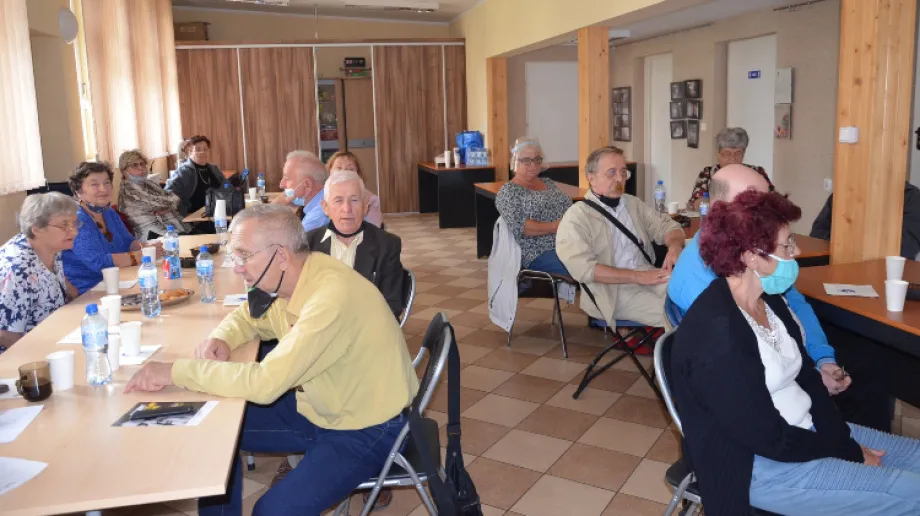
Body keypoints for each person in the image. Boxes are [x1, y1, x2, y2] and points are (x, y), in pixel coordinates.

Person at [124, 204, 418, 515]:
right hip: (323, 408)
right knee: (216, 428)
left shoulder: (330, 297)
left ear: (280, 255)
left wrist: (175, 372)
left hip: (368, 426)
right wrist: (222, 338)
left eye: (244, 255)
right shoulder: (293, 278)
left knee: (272, 511)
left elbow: (265, 384)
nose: (237, 268)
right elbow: (249, 317)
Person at [670, 190, 920, 516]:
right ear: (751, 256)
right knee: (913, 494)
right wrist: (846, 451)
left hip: (806, 432)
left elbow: (808, 378)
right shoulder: (718, 336)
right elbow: (768, 438)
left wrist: (843, 442)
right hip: (760, 466)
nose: (797, 251)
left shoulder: (770, 299)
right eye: (787, 244)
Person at [668, 164, 890, 431]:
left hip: (786, 359)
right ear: (721, 210)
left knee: (871, 359)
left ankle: (855, 441)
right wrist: (812, 371)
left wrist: (823, 358)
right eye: (756, 204)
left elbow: (794, 304)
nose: (768, 213)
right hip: (767, 395)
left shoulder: (754, 258)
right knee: (864, 383)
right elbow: (744, 367)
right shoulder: (700, 283)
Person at [556, 146, 684, 328]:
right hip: (609, 291)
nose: (619, 179)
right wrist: (636, 277)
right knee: (678, 315)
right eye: (611, 172)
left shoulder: (632, 204)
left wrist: (675, 247)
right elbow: (584, 269)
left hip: (647, 275)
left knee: (694, 298)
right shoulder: (576, 217)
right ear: (592, 178)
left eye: (623, 172)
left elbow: (668, 226)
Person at [307, 171, 404, 317]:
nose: (347, 209)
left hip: (367, 325)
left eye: (354, 200)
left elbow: (392, 305)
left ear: (365, 206)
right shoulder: (308, 244)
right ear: (325, 207)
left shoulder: (387, 245)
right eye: (338, 200)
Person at [63, 161, 163, 295]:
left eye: (106, 183)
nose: (103, 189)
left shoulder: (108, 211)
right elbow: (99, 262)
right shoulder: (76, 219)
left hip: (120, 281)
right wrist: (139, 256)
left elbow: (128, 242)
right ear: (78, 191)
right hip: (89, 291)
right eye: (94, 184)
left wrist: (148, 247)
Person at [0, 193, 79, 351]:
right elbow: (5, 335)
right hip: (21, 356)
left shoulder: (52, 249)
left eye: (74, 224)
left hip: (53, 338)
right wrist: (47, 354)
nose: (74, 231)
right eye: (64, 225)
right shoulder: (18, 269)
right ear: (36, 228)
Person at [495, 138, 572, 275]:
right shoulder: (508, 192)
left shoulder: (548, 183)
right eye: (526, 160)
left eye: (537, 159)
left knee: (602, 256)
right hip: (538, 251)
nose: (533, 165)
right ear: (515, 162)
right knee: (582, 266)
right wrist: (557, 226)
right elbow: (522, 227)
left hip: (567, 241)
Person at [810, 181, 920, 260]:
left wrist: (848, 243)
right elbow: (817, 235)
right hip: (839, 266)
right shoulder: (845, 191)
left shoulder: (912, 198)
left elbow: (904, 250)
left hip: (889, 275)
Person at [685, 127, 773, 210]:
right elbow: (695, 202)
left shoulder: (756, 172)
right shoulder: (708, 173)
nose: (732, 159)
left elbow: (773, 200)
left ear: (743, 154)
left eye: (738, 153)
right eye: (727, 153)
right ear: (718, 154)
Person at [116, 149, 189, 240]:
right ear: (124, 171)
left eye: (142, 164)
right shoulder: (128, 191)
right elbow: (162, 202)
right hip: (152, 235)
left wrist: (170, 206)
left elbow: (173, 197)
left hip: (170, 228)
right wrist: (171, 204)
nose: (141, 168)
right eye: (134, 165)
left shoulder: (148, 183)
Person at [165, 135, 225, 217]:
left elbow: (225, 186)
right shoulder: (184, 171)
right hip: (195, 216)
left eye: (205, 149)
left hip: (217, 211)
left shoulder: (213, 168)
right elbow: (168, 192)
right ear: (190, 152)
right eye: (198, 149)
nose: (202, 152)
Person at [274, 150, 329, 232]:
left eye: (287, 178)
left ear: (307, 185)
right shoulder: (322, 201)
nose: (281, 185)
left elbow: (290, 239)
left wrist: (275, 210)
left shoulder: (317, 215)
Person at [326, 151, 383, 227]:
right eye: (338, 168)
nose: (344, 172)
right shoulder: (323, 195)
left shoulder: (370, 199)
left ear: (358, 174)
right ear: (329, 171)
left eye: (350, 169)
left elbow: (374, 227)